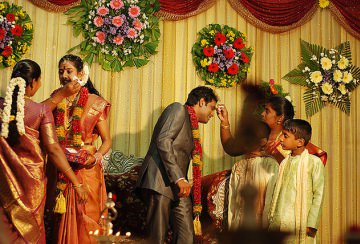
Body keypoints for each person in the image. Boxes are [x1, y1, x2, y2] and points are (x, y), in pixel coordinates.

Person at [0, 59, 88, 243]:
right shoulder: (40, 111)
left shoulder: (4, 107)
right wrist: (76, 183)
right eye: (39, 81)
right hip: (31, 187)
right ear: (32, 83)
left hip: (3, 184)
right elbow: (54, 150)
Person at [137, 86, 218, 244]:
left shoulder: (191, 124)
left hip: (177, 186)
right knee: (157, 238)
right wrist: (179, 177)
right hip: (159, 181)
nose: (212, 114)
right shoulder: (178, 109)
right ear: (201, 102)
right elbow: (163, 140)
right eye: (212, 108)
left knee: (186, 236)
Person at [50, 54, 112, 244]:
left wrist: (97, 157)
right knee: (61, 216)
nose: (64, 76)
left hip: (87, 167)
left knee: (87, 214)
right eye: (61, 72)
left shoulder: (94, 102)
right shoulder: (55, 99)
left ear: (80, 74)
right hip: (61, 164)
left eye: (69, 71)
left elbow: (107, 140)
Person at [263, 119, 325, 243]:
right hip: (278, 222)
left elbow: (319, 194)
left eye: (285, 136)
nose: (280, 139)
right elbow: (277, 193)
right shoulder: (284, 162)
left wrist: (312, 224)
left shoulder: (314, 162)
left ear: (300, 142)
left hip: (299, 224)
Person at [227, 121, 278, 230]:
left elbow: (270, 200)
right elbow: (233, 200)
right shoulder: (238, 166)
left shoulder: (270, 165)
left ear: (263, 142)